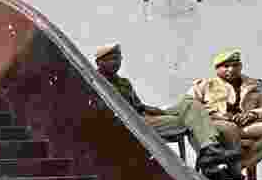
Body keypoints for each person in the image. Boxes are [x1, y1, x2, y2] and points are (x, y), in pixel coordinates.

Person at [93, 43, 235, 171]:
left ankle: (209, 149)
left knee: (190, 103)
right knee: (189, 120)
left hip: (143, 116)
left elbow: (138, 105)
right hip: (131, 123)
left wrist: (153, 110)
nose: (116, 63)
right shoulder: (96, 82)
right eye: (112, 59)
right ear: (99, 62)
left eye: (118, 59)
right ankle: (210, 164)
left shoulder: (124, 82)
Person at [190, 49, 262, 173]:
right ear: (217, 69)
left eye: (235, 65)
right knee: (227, 128)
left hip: (246, 127)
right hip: (219, 129)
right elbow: (190, 106)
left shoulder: (254, 84)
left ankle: (240, 164)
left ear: (241, 66)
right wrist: (217, 115)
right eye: (226, 66)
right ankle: (234, 167)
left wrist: (253, 114)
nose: (231, 69)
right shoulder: (204, 85)